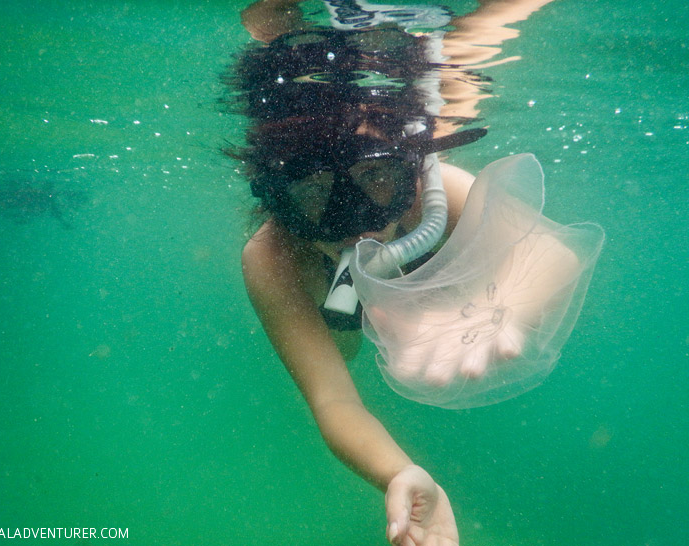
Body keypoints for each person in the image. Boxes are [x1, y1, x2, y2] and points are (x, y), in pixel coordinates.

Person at [229, 1, 567, 544]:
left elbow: (552, 253)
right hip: (347, 314)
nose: (351, 219)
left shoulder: (441, 190)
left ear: (410, 166)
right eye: (313, 192)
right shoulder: (272, 258)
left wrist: (505, 306)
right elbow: (333, 398)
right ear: (275, 196)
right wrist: (398, 471)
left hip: (448, 294)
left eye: (375, 179)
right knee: (344, 349)